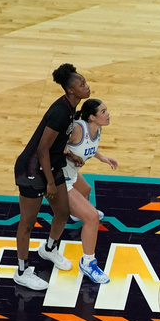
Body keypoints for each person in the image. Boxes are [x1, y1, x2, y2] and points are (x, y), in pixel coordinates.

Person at [12, 64, 91, 291]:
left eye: (85, 82)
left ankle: (48, 249)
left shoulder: (70, 109)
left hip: (51, 164)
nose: (87, 86)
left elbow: (57, 143)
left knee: (63, 212)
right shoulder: (59, 112)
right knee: (27, 223)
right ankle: (21, 271)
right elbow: (42, 149)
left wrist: (70, 154)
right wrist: (48, 182)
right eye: (82, 84)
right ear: (71, 90)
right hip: (32, 169)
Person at [64, 98, 118, 284]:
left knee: (86, 190)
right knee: (93, 217)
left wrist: (103, 158)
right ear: (92, 117)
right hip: (58, 178)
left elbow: (89, 147)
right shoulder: (77, 128)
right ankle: (88, 263)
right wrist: (68, 153)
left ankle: (76, 214)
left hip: (71, 174)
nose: (107, 114)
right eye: (103, 111)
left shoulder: (97, 129)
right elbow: (52, 140)